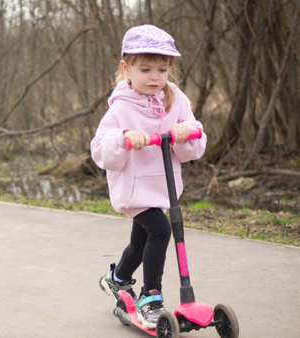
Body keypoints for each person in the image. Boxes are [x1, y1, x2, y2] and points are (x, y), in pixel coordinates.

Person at [91, 24, 207, 329]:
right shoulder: (120, 108)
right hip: (133, 189)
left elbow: (194, 145)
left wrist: (185, 134)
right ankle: (150, 297)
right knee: (160, 231)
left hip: (162, 187)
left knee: (141, 242)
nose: (155, 77)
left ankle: (117, 279)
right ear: (126, 68)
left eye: (162, 69)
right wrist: (126, 138)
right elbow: (100, 151)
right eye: (145, 69)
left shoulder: (176, 99)